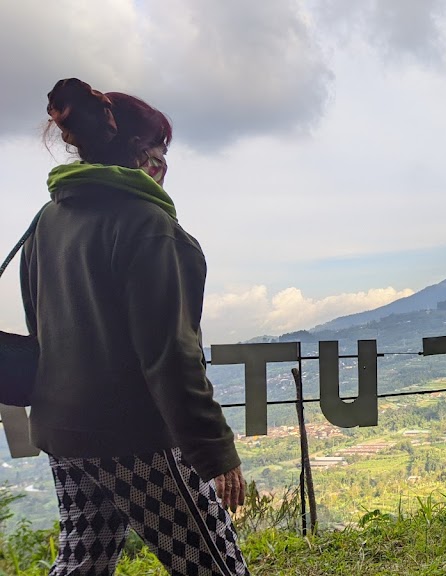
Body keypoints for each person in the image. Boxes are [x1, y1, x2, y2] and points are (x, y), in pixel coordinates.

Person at [20, 78, 249, 575]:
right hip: (134, 439)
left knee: (85, 560)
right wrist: (214, 450)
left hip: (64, 431)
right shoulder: (148, 225)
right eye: (161, 152)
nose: (165, 168)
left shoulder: (47, 219)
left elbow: (40, 326)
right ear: (142, 155)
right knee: (215, 565)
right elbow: (171, 354)